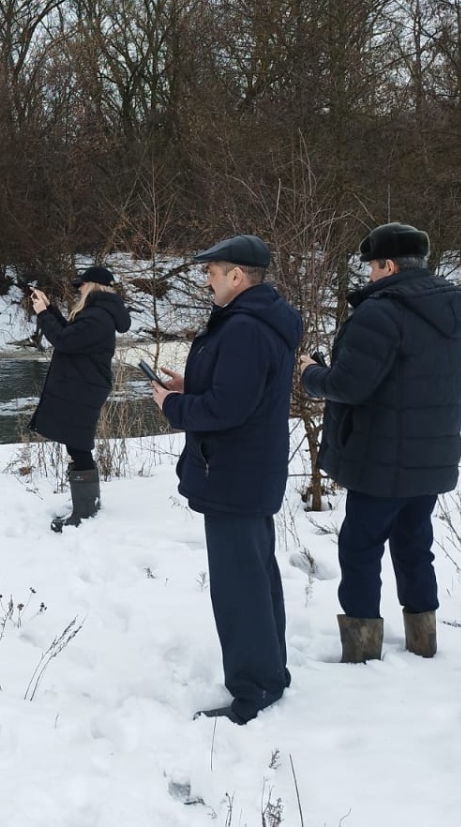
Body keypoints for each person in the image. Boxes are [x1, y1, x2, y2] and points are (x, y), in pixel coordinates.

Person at [298, 222, 461, 662]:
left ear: (388, 265)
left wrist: (309, 373)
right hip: (431, 454)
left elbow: (347, 385)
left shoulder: (380, 312)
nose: (369, 276)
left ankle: (361, 649)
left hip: (379, 459)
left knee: (359, 548)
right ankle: (423, 639)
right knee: (415, 545)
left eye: (372, 267)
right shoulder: (453, 306)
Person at [151, 234, 301, 725]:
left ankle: (254, 688)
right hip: (246, 472)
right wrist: (189, 385)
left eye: (212, 272)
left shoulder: (244, 329)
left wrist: (172, 405)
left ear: (237, 276)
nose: (207, 280)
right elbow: (239, 391)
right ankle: (268, 675)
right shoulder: (257, 321)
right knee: (255, 579)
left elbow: (227, 409)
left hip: (234, 473)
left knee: (240, 588)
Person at [28, 265, 132, 532]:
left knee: (78, 444)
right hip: (84, 385)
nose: (79, 290)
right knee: (77, 443)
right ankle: (85, 507)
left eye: (82, 285)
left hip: (84, 386)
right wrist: (50, 310)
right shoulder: (98, 315)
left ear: (94, 287)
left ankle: (85, 512)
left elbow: (63, 340)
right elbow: (70, 337)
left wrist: (42, 315)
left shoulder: (98, 317)